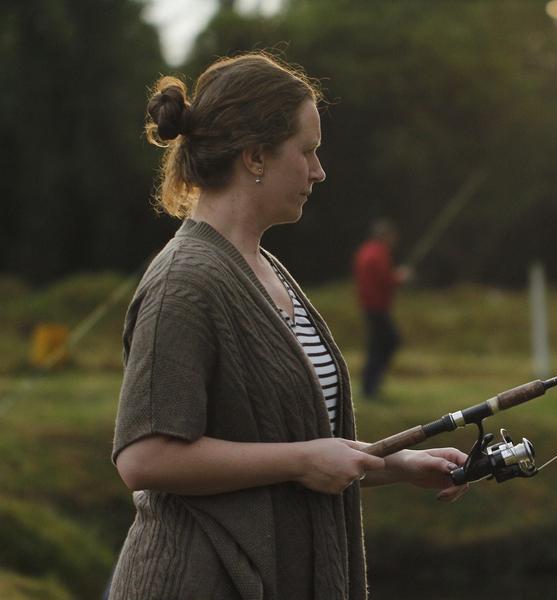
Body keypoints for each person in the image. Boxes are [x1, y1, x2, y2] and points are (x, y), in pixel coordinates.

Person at [110, 52, 467, 600]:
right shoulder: (184, 281)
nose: (319, 171)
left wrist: (395, 464)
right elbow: (144, 457)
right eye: (306, 151)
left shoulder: (263, 266)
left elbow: (283, 449)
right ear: (255, 156)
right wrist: (303, 458)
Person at [353, 220, 410, 398]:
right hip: (376, 307)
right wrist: (399, 277)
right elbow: (384, 280)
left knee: (378, 345)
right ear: (385, 236)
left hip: (370, 306)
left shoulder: (366, 251)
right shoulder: (377, 254)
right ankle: (370, 386)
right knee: (387, 343)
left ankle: (371, 385)